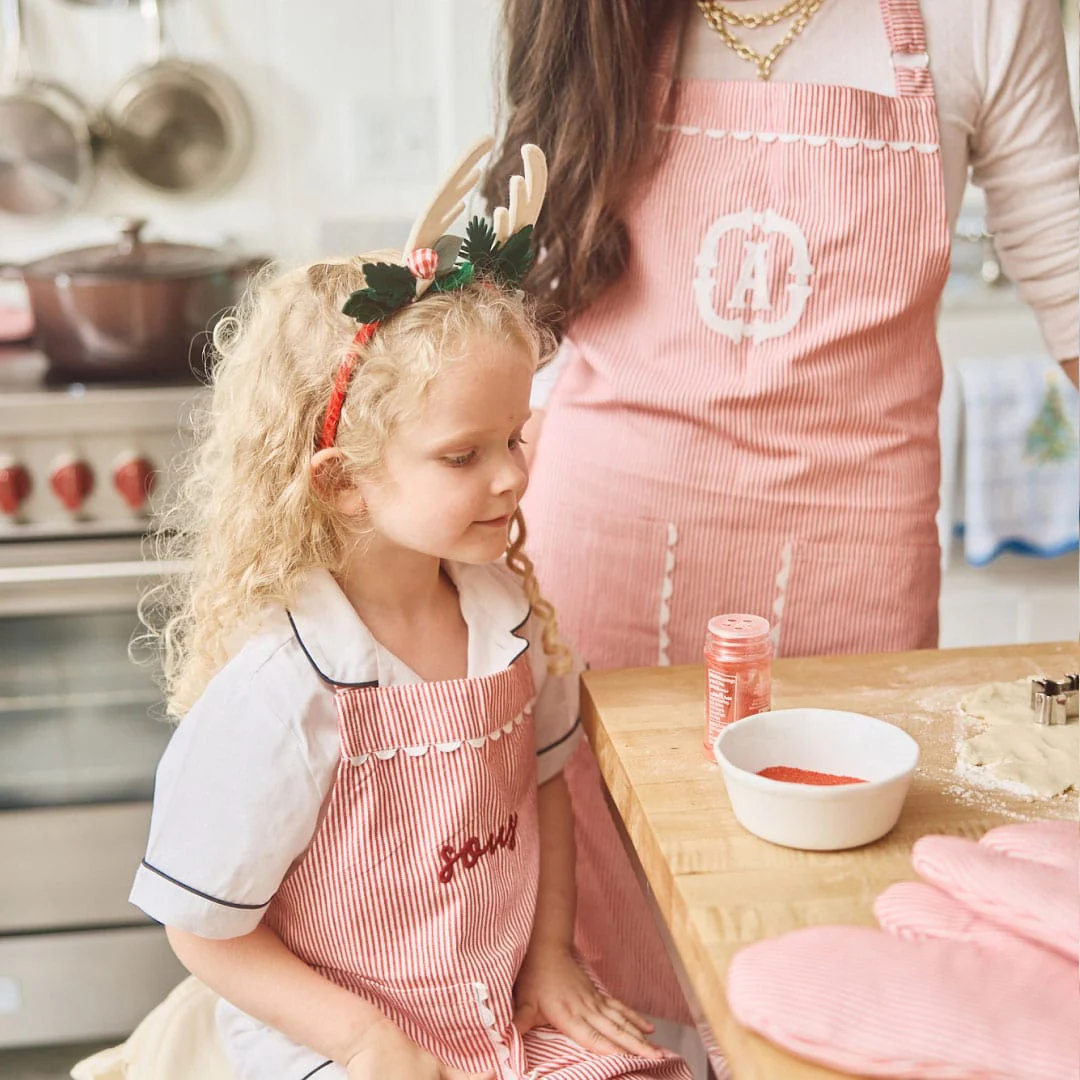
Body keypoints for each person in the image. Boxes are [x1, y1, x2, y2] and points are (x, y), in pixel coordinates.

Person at [484, 0, 1079, 1031]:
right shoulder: (585, 13)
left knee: (826, 948)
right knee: (595, 965)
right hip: (602, 552)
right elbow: (518, 278)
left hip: (855, 559)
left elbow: (1069, 265)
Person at [128, 139, 693, 1080]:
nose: (514, 474)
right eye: (463, 456)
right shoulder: (284, 692)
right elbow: (202, 930)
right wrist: (364, 1040)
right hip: (341, 1042)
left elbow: (544, 789)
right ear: (343, 484)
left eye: (514, 437)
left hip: (495, 1007)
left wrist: (550, 958)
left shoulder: (503, 618)